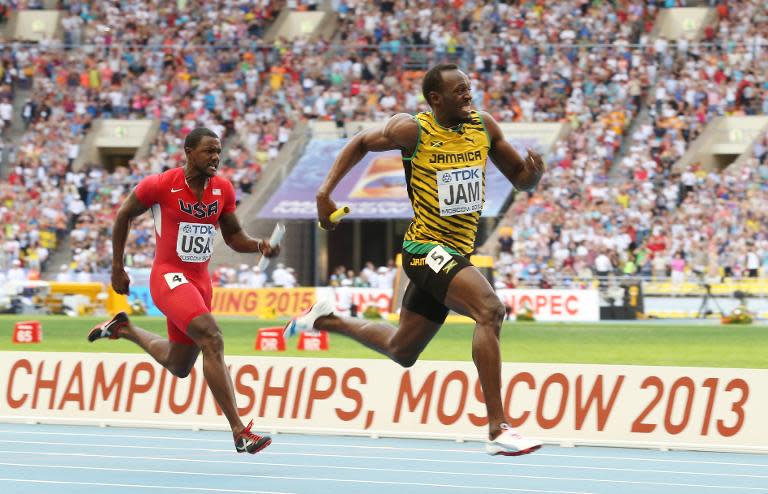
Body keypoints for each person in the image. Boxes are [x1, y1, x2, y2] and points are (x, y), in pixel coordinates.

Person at [284, 64, 546, 456]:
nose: (468, 95)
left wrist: (533, 174)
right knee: (489, 310)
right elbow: (359, 142)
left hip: (455, 252)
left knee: (401, 349)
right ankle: (498, 428)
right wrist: (324, 193)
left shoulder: (483, 126)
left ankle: (323, 318)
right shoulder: (415, 131)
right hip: (425, 249)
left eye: (469, 88)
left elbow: (519, 179)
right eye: (459, 91)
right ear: (435, 99)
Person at [88, 128, 279, 455]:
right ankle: (239, 430)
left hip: (200, 282)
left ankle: (124, 328)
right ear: (189, 152)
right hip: (168, 276)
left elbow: (234, 237)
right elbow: (123, 215)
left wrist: (258, 246)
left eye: (218, 152)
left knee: (179, 365)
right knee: (212, 337)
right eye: (208, 151)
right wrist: (117, 267)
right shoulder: (161, 185)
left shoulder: (223, 189)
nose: (216, 157)